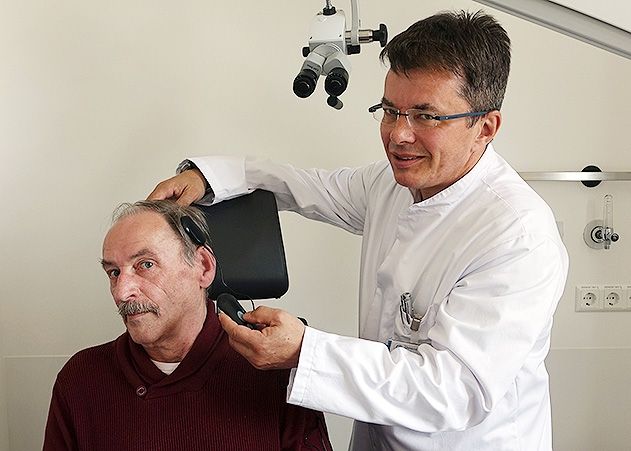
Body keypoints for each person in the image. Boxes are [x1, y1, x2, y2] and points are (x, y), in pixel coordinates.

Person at [148, 10, 569, 451]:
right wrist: (208, 176)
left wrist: (304, 352)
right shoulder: (391, 184)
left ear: (484, 127)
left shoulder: (517, 236)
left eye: (425, 116)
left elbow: (453, 390)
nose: (399, 136)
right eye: (390, 111)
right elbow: (304, 186)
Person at [42, 200, 332, 451]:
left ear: (203, 267)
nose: (121, 291)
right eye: (114, 272)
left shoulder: (275, 372)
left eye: (145, 265)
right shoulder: (81, 379)